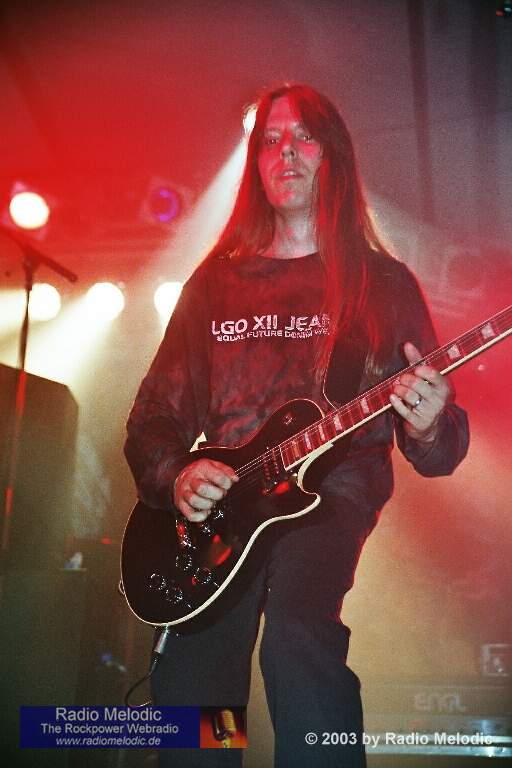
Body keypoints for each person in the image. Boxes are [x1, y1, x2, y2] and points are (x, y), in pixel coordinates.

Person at [124, 83, 469, 768]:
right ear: (255, 163)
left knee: (297, 635)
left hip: (327, 497)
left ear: (332, 155)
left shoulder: (382, 284)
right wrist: (180, 474)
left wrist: (430, 425)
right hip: (222, 514)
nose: (286, 152)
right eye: (271, 140)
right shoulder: (215, 285)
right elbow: (154, 416)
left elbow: (439, 447)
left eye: (304, 137)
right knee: (195, 693)